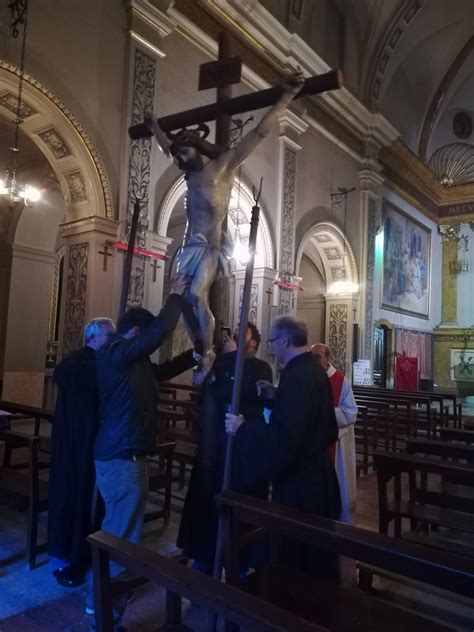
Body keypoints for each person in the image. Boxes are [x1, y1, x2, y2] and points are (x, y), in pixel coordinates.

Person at [145, 70, 305, 384]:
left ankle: (207, 354)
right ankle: (201, 348)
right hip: (189, 246)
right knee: (183, 299)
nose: (181, 157)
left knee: (195, 293)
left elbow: (258, 133)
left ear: (198, 147)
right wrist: (153, 127)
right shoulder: (188, 172)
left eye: (186, 150)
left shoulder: (224, 166)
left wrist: (286, 97)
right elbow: (166, 147)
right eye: (179, 154)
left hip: (210, 247)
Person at [87, 274, 188, 629]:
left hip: (126, 453)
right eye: (143, 339)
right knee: (121, 534)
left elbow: (160, 371)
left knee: (121, 527)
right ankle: (104, 607)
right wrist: (174, 298)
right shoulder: (115, 353)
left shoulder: (133, 363)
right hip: (120, 456)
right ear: (133, 334)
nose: (148, 347)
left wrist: (194, 356)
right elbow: (156, 335)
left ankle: (104, 596)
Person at [225, 316, 340, 580]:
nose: (272, 347)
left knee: (300, 564)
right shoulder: (310, 369)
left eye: (273, 341)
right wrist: (275, 397)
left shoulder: (298, 375)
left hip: (301, 487)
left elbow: (286, 439)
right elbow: (304, 416)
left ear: (285, 340)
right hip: (315, 477)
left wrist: (244, 428)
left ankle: (294, 613)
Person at [177, 322, 273, 573]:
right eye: (233, 334)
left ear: (253, 343)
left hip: (241, 451)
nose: (233, 337)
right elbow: (211, 389)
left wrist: (230, 357)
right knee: (207, 509)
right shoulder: (222, 361)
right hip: (214, 448)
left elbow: (240, 390)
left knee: (237, 513)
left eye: (242, 334)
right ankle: (204, 562)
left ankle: (238, 566)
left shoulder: (260, 367)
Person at [48, 317, 116, 588]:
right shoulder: (76, 361)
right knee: (71, 500)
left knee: (89, 503)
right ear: (93, 337)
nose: (113, 340)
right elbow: (63, 373)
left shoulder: (101, 363)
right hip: (73, 446)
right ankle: (65, 558)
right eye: (109, 336)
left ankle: (83, 552)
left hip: (92, 444)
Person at [311, 343, 358, 524]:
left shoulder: (340, 381)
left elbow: (350, 412)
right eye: (311, 357)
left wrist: (323, 412)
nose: (314, 361)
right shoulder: (308, 377)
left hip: (334, 443)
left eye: (318, 357)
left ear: (327, 359)